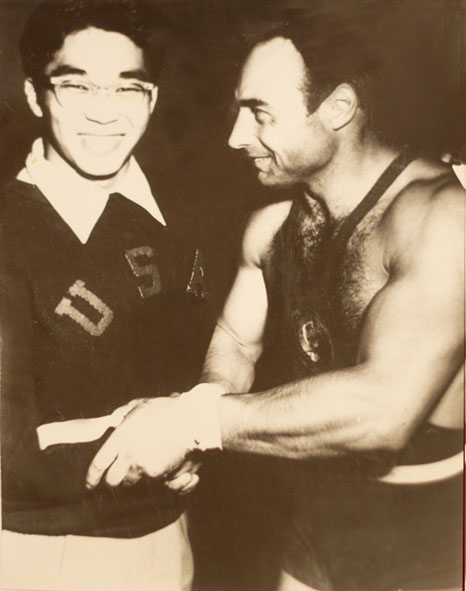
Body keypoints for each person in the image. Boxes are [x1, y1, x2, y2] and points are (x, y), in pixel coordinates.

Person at [86, 13, 464, 591]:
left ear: (338, 108)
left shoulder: (439, 217)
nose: (235, 136)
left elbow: (384, 410)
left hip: (433, 527)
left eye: (260, 113)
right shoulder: (271, 227)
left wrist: (191, 424)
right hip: (320, 510)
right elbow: (237, 342)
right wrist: (202, 409)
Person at [0, 1, 211, 590]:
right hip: (43, 551)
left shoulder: (184, 209)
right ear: (35, 95)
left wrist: (194, 440)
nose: (103, 111)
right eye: (75, 86)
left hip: (171, 535)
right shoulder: (10, 231)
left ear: (153, 97)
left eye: (127, 87)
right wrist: (163, 442)